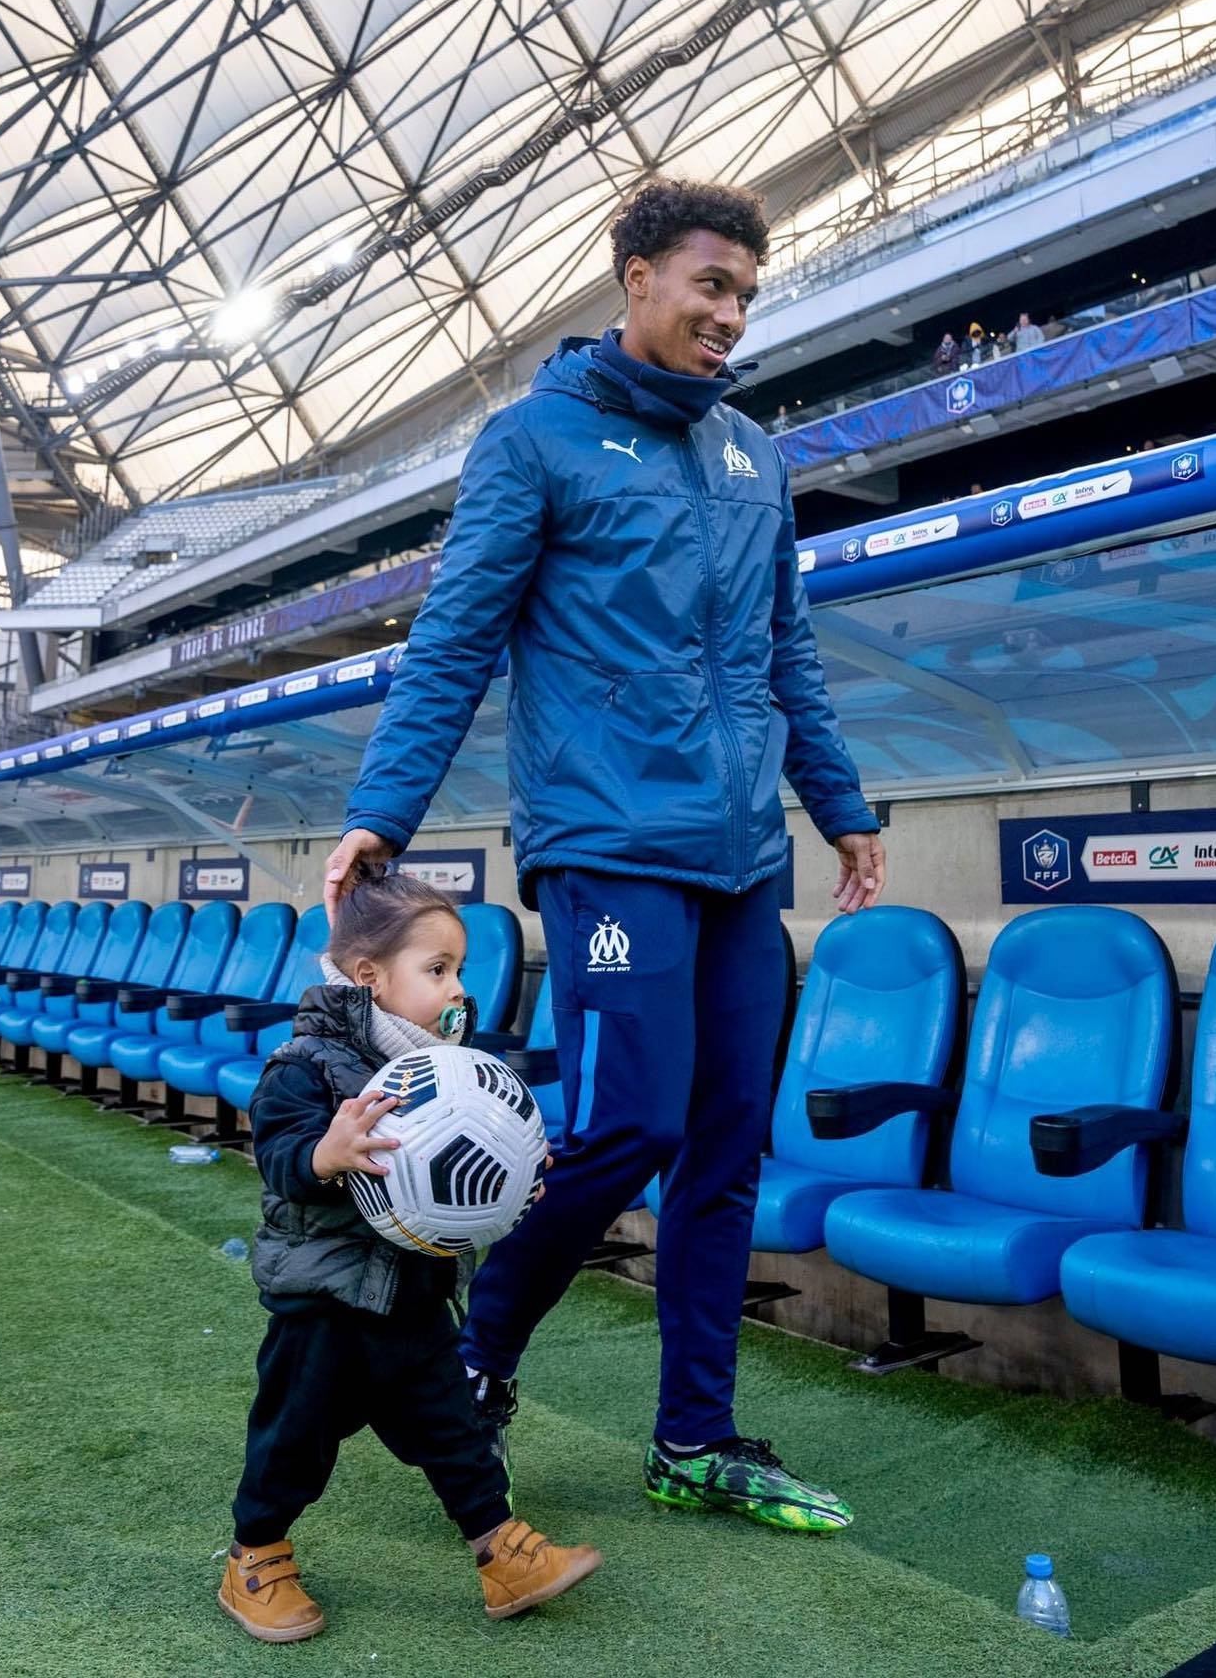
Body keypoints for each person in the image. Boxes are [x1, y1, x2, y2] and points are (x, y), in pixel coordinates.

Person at [326, 176, 885, 1537]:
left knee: (727, 1147)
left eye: (746, 293)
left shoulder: (754, 456)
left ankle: (695, 1435)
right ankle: (476, 1353)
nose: (730, 315)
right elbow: (457, 636)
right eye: (709, 286)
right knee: (632, 1118)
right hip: (609, 843)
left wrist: (840, 802)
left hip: (743, 851)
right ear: (632, 275)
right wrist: (383, 809)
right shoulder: (533, 444)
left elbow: (785, 654)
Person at [220, 870, 601, 1642]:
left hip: (414, 1295)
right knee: (293, 1438)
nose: (457, 989)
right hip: (323, 1304)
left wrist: (510, 1176)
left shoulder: (451, 1070)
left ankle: (501, 1552)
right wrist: (326, 1152)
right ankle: (254, 1555)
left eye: (460, 970)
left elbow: (452, 1189)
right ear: (370, 978)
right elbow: (282, 1159)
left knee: (456, 1430)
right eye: (437, 970)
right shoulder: (307, 1064)